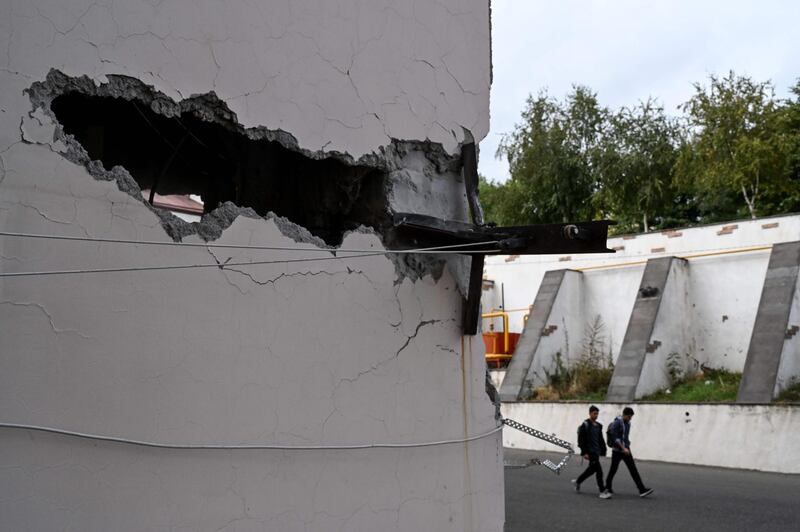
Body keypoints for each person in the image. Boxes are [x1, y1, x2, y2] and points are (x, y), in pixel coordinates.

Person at [603, 407, 653, 498]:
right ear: (624, 415)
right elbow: (615, 437)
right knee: (613, 470)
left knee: (633, 469)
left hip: (626, 449)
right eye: (629, 417)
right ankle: (607, 487)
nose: (630, 418)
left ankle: (641, 489)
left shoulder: (628, 423)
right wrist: (623, 448)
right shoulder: (617, 423)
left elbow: (624, 437)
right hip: (618, 451)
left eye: (631, 417)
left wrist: (627, 445)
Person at [572, 405, 611, 499]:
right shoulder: (585, 425)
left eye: (597, 413)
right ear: (590, 413)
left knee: (591, 470)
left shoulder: (598, 426)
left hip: (596, 451)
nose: (596, 415)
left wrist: (603, 449)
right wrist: (584, 452)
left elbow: (600, 439)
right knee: (599, 471)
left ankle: (578, 481)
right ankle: (602, 491)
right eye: (594, 413)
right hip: (590, 452)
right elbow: (581, 440)